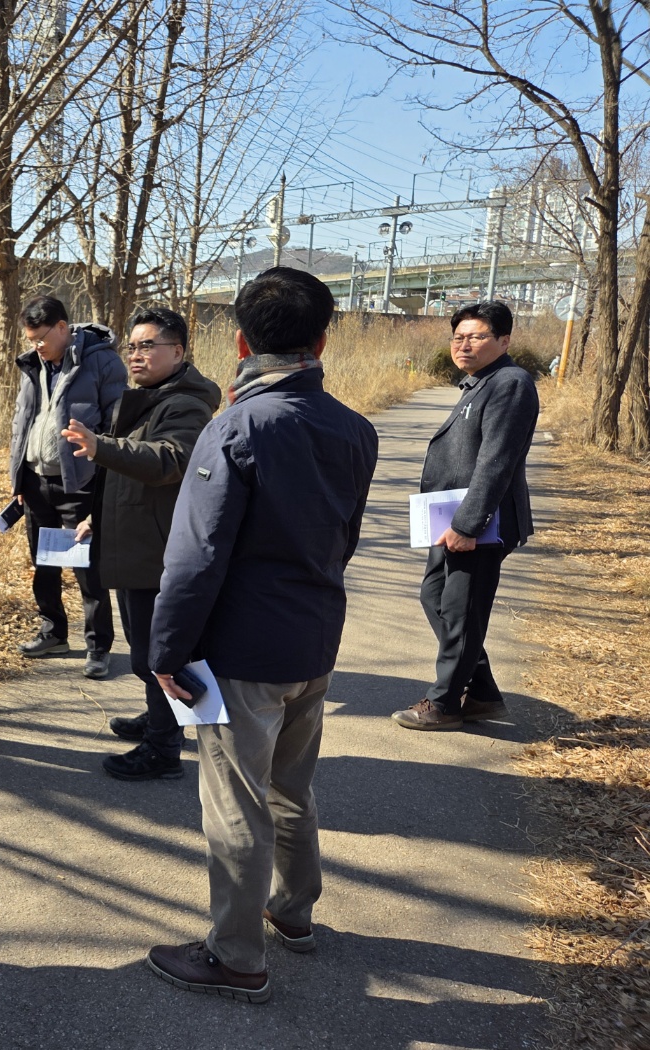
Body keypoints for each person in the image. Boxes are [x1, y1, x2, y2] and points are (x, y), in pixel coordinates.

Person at [145, 267, 378, 1003]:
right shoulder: (354, 428)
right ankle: (294, 912)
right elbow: (344, 538)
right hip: (313, 640)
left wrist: (166, 651)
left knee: (236, 801)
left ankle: (237, 956)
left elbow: (195, 556)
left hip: (242, 653)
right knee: (291, 788)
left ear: (240, 340)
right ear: (323, 339)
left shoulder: (237, 425)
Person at [62, 306, 220, 781]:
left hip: (159, 550)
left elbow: (169, 460)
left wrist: (101, 446)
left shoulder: (186, 403)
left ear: (179, 351)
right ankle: (161, 719)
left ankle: (164, 749)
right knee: (146, 652)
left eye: (148, 345)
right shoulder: (150, 397)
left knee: (158, 654)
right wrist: (98, 519)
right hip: (135, 540)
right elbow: (127, 479)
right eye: (131, 346)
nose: (136, 354)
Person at [392, 301, 538, 730]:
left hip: (479, 525)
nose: (464, 344)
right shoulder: (480, 382)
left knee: (459, 609)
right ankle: (484, 695)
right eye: (458, 337)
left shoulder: (510, 383)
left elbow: (497, 460)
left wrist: (468, 524)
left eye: (477, 336)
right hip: (454, 519)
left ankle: (445, 704)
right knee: (437, 598)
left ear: (504, 341)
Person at [9, 295, 127, 678]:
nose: (36, 346)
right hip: (35, 478)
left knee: (86, 569)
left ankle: (99, 646)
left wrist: (104, 481)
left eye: (41, 337)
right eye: (30, 339)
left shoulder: (102, 361)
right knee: (44, 563)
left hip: (79, 482)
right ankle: (53, 632)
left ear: (63, 327)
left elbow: (115, 425)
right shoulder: (33, 364)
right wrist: (17, 477)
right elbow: (21, 420)